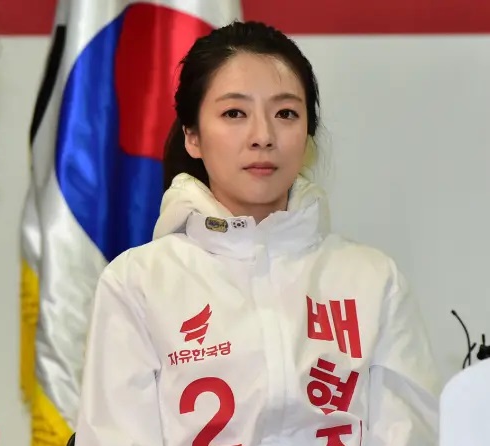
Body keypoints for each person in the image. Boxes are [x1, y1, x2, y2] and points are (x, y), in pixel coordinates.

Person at [75, 21, 440, 445]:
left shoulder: (374, 281)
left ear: (307, 135)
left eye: (285, 113)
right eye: (234, 113)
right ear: (192, 136)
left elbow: (412, 435)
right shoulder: (137, 283)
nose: (263, 136)